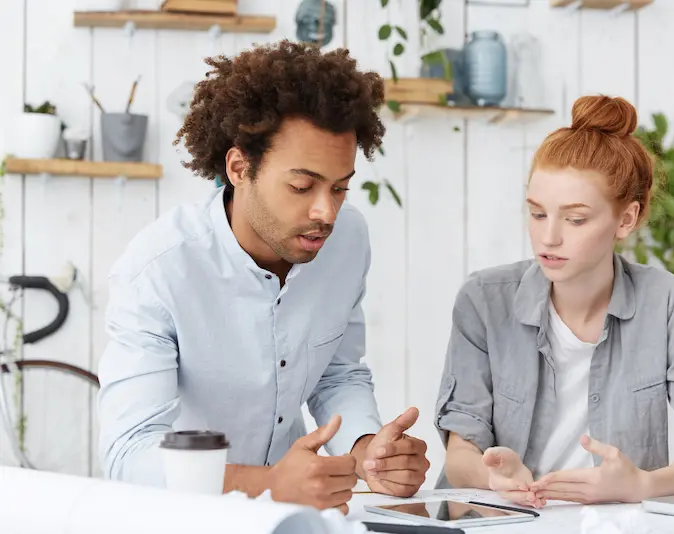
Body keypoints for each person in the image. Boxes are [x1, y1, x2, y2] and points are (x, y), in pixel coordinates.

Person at [97, 40, 430, 513]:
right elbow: (128, 455)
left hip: (293, 518)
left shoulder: (347, 238)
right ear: (239, 168)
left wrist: (365, 450)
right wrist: (270, 484)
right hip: (182, 517)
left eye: (340, 188)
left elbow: (334, 371)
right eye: (301, 186)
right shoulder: (158, 270)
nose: (325, 212)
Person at [434, 95, 674, 508]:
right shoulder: (484, 301)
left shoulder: (665, 301)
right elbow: (460, 454)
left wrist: (641, 485)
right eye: (538, 214)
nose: (549, 237)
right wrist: (495, 476)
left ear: (626, 219)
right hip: (503, 521)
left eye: (575, 219)